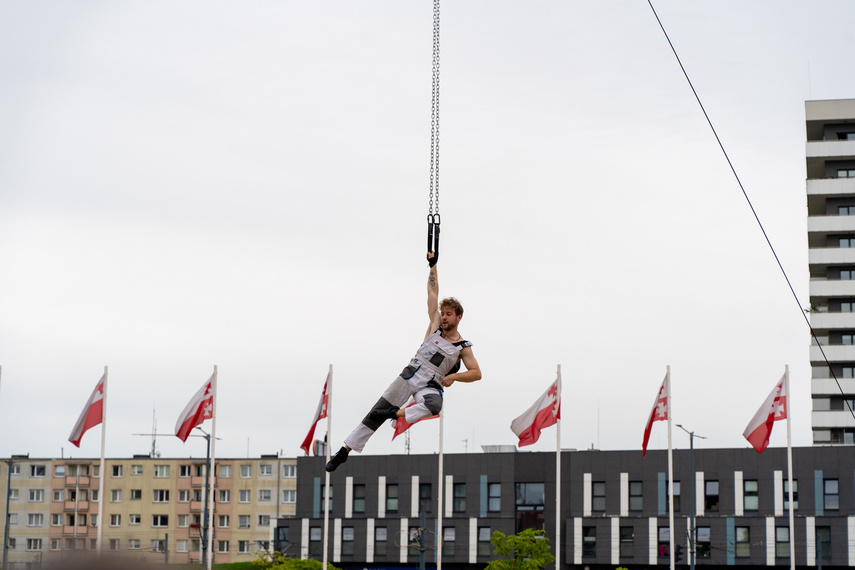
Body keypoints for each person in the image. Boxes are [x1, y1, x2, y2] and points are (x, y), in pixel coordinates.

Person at [325, 252, 481, 472]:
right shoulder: (435, 325)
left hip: (430, 383)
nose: (444, 317)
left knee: (435, 406)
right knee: (375, 412)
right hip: (411, 373)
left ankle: (394, 414)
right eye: (443, 313)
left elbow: (476, 373)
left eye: (449, 314)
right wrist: (433, 265)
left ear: (458, 317)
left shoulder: (463, 347)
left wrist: (455, 376)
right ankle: (345, 450)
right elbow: (432, 292)